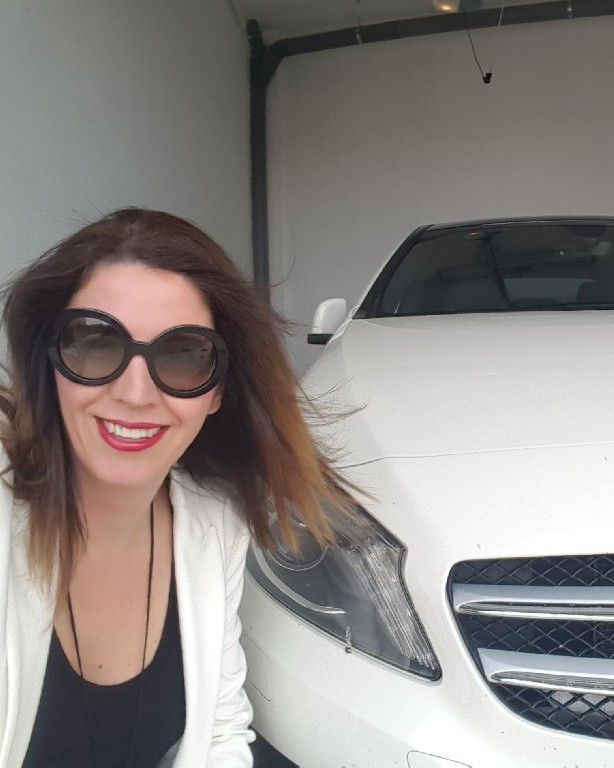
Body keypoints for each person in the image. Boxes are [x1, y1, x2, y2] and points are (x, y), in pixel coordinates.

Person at [0, 208, 353, 767]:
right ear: (52, 363)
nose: (135, 393)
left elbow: (220, 732)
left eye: (183, 354)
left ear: (218, 392)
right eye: (96, 341)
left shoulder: (216, 520)